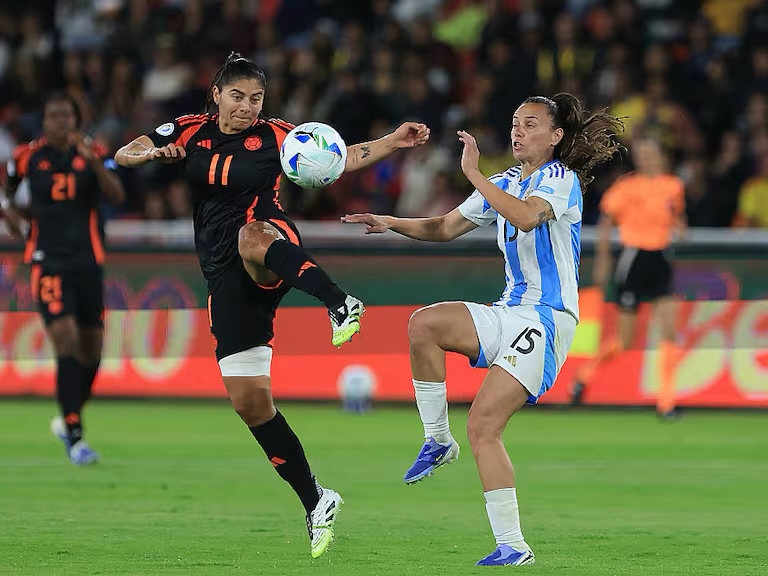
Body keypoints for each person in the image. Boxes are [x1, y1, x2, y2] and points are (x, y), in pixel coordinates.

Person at [114, 52, 429, 558]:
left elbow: (339, 156)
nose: (246, 107)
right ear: (217, 95)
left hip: (269, 239)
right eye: (237, 96)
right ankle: (316, 500)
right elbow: (128, 150)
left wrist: (392, 141)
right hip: (221, 273)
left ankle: (339, 302)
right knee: (251, 403)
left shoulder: (279, 135)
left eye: (255, 98)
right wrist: (149, 156)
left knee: (251, 235)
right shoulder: (189, 130)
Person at [343, 93, 622, 566]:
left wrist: (473, 174)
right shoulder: (505, 182)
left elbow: (527, 216)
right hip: (509, 310)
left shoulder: (560, 179)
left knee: (483, 426)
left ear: (555, 136)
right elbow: (443, 227)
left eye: (530, 124)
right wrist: (388, 221)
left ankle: (513, 545)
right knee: (424, 324)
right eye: (515, 123)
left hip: (547, 319)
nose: (518, 131)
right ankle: (437, 439)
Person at [1, 91, 125, 464]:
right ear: (44, 121)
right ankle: (75, 435)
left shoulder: (94, 152)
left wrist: (96, 164)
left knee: (92, 352)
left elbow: (117, 195)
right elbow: (8, 192)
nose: (60, 122)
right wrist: (15, 222)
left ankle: (70, 415)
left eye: (66, 116)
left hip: (87, 263)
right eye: (53, 115)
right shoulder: (27, 156)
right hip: (48, 263)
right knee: (66, 340)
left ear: (75, 119)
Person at [569, 134, 686, 420]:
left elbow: (678, 219)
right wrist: (604, 261)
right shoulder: (626, 186)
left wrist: (680, 229)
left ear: (661, 156)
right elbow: (606, 222)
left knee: (669, 331)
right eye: (641, 154)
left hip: (660, 259)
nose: (646, 158)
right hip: (633, 258)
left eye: (650, 153)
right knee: (624, 340)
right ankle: (584, 376)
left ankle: (666, 402)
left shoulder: (673, 186)